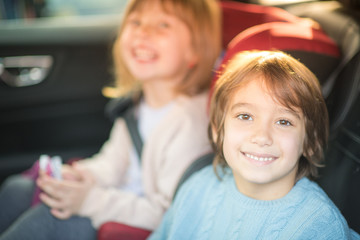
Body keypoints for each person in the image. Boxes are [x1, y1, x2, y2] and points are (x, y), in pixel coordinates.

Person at [0, 0, 221, 239]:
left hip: (136, 225)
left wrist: (89, 200)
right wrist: (83, 175)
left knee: (49, 219)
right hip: (114, 201)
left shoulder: (190, 125)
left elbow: (167, 214)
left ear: (195, 51)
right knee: (18, 188)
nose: (143, 32)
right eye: (135, 22)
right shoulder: (139, 103)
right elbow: (113, 162)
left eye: (163, 25)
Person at [149, 50, 360, 239]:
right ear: (217, 130)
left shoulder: (317, 228)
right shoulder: (197, 187)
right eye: (245, 116)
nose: (262, 136)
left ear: (310, 142)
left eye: (284, 122)